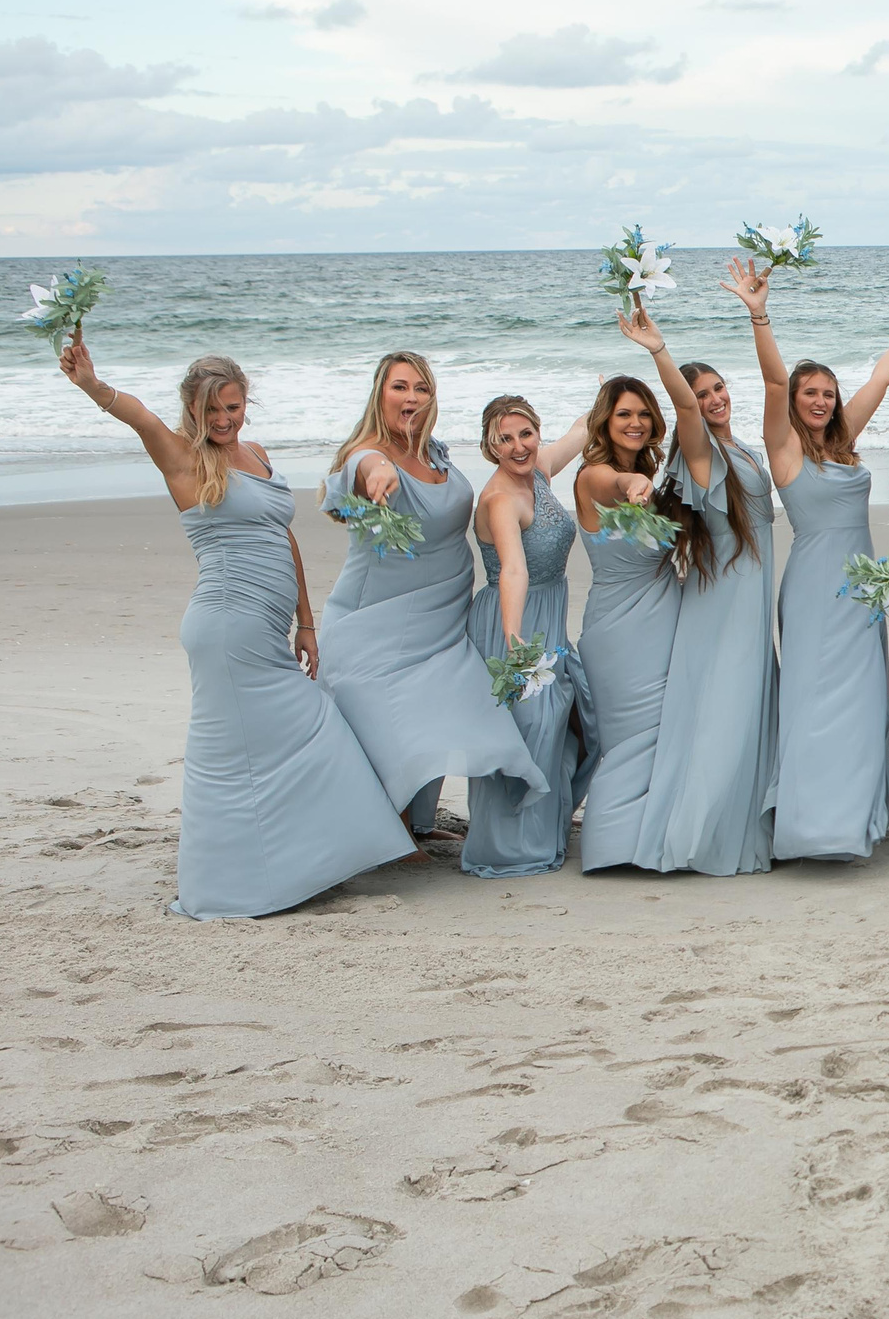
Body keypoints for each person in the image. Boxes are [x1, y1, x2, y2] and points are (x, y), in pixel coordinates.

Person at [54, 334, 411, 917]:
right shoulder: (184, 458)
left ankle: (295, 864)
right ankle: (226, 887)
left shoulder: (260, 454)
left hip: (267, 630)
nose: (223, 419)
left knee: (302, 738)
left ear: (247, 404)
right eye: (211, 409)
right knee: (240, 755)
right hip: (224, 627)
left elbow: (283, 535)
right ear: (192, 410)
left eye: (233, 406)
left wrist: (306, 622)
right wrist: (92, 384)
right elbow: (138, 416)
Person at [753, 254, 889, 863]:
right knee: (813, 699)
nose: (819, 400)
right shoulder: (783, 450)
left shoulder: (843, 442)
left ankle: (852, 824)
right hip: (814, 586)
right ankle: (809, 826)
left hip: (862, 586)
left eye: (827, 394)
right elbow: (773, 383)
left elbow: (879, 386)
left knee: (863, 701)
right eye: (810, 393)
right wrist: (760, 315)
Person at [317, 351, 546, 842]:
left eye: (421, 387)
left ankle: (416, 823)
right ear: (380, 393)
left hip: (441, 617)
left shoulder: (434, 451)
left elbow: (529, 465)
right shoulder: (369, 452)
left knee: (445, 713)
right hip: (378, 620)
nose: (412, 397)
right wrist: (378, 475)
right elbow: (365, 467)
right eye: (400, 387)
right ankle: (392, 830)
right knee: (394, 724)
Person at [618, 295, 778, 875]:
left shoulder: (742, 449)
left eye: (718, 388)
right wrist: (662, 351)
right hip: (728, 599)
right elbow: (683, 409)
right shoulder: (703, 455)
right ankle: (705, 836)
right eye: (702, 393)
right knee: (725, 709)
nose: (714, 400)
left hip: (746, 594)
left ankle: (743, 824)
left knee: (745, 705)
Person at [462, 396, 596, 879]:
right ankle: (508, 848)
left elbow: (579, 434)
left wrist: (603, 399)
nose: (518, 446)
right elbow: (513, 570)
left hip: (548, 619)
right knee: (529, 729)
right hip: (512, 623)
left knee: (562, 727)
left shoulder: (537, 469)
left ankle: (546, 834)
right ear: (489, 445)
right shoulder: (500, 499)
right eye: (505, 438)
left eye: (526, 434)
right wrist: (516, 642)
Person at [569, 376, 687, 872]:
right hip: (620, 628)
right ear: (606, 420)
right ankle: (612, 849)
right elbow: (617, 485)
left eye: (642, 414)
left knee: (664, 734)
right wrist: (634, 484)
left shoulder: (653, 475)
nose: (635, 423)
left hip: (663, 618)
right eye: (623, 414)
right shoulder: (595, 476)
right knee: (629, 741)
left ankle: (653, 842)